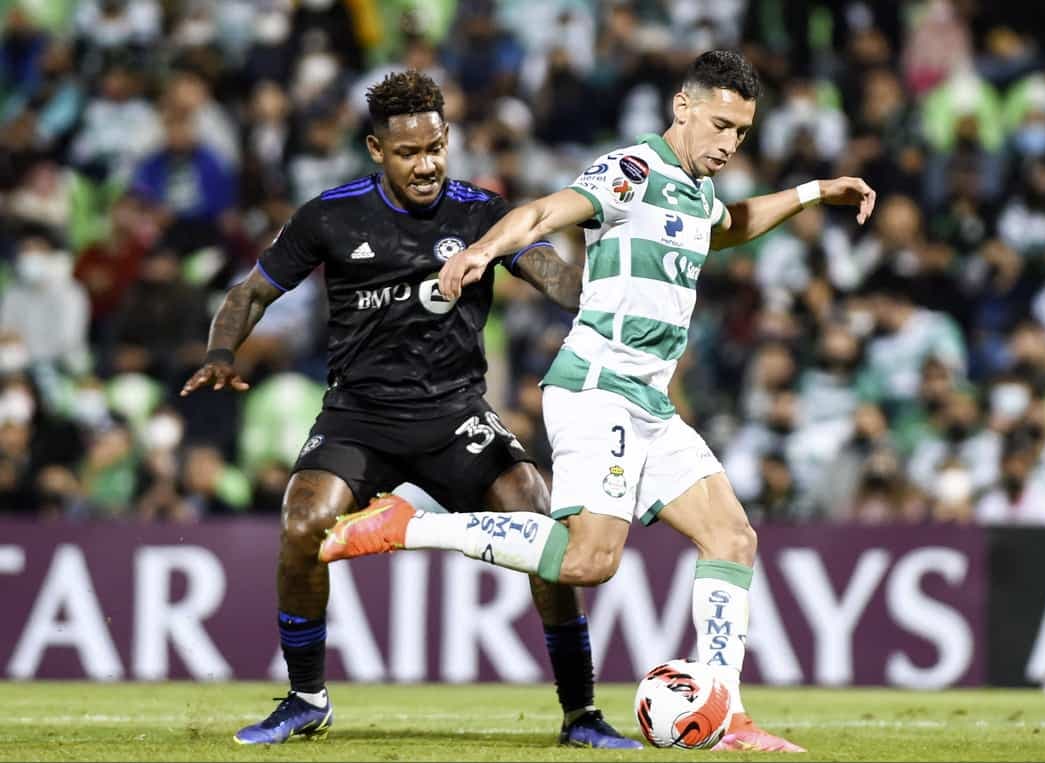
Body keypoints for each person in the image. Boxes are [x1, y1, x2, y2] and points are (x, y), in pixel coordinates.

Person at [321, 50, 876, 752]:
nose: (730, 143)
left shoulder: (698, 190)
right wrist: (484, 250)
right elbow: (546, 210)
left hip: (648, 401)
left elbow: (724, 226)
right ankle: (407, 523)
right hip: (596, 390)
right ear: (682, 106)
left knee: (732, 536)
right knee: (589, 561)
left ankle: (728, 711)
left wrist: (813, 191)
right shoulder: (632, 171)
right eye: (720, 124)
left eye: (741, 132)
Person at [181, 70, 638, 749]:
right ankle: (307, 697)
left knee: (538, 519)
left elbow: (554, 275)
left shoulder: (483, 214)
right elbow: (250, 294)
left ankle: (581, 711)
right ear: (375, 149)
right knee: (304, 520)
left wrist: (606, 291)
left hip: (455, 413)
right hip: (357, 414)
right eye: (407, 153)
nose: (424, 165)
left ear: (447, 140)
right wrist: (222, 350)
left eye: (434, 148)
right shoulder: (329, 217)